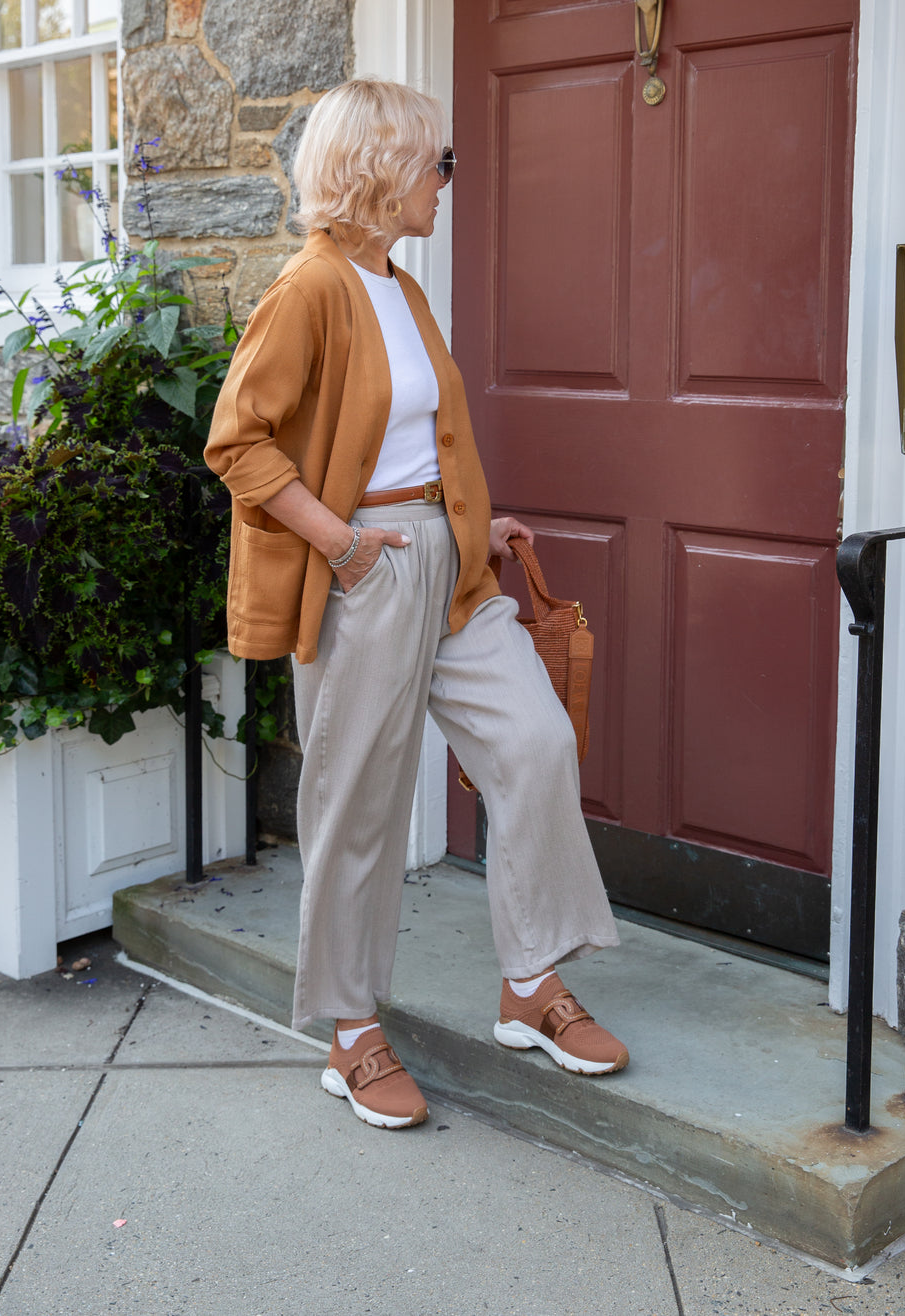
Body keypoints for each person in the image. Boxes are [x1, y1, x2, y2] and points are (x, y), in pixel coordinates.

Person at [204, 78, 627, 1131]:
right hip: (370, 567)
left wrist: (473, 524)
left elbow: (421, 442)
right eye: (438, 163)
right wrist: (340, 542)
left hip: (449, 562)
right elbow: (236, 442)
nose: (447, 180)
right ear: (380, 172)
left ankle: (530, 983)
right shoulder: (308, 290)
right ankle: (349, 1033)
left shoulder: (402, 286)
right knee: (359, 806)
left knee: (533, 743)